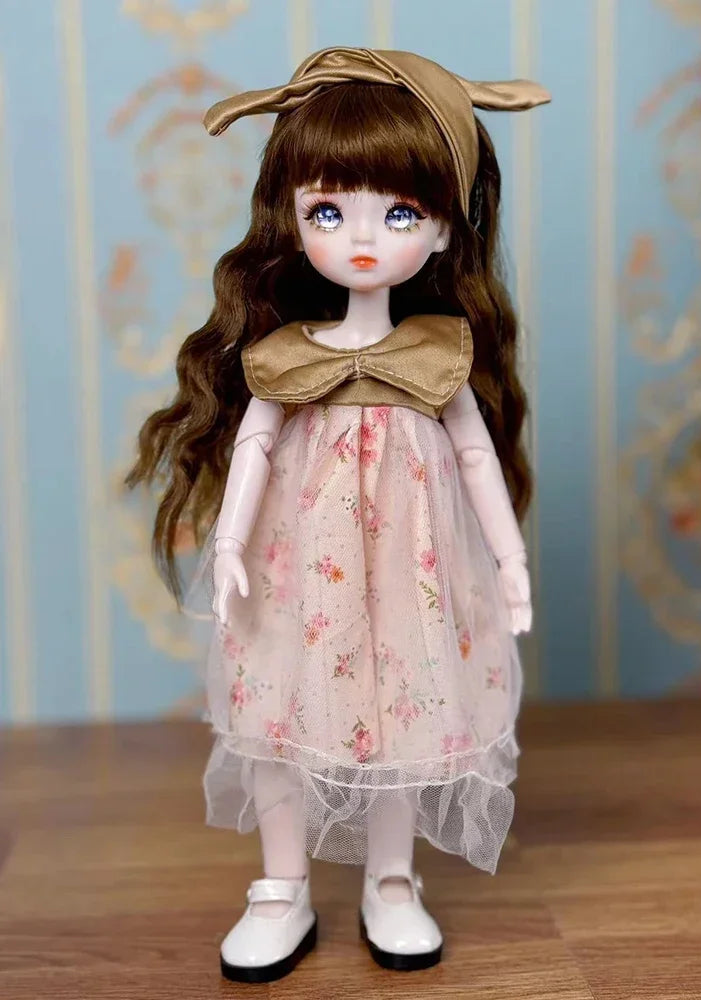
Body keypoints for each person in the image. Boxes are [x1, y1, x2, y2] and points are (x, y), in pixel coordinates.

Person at [127, 46, 549, 983]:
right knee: (274, 703)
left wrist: (509, 560)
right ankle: (281, 886)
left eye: (399, 213)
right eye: (329, 211)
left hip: (409, 569)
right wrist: (230, 546)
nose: (362, 239)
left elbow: (475, 455)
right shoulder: (288, 354)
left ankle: (390, 880)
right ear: (292, 217)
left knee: (403, 709)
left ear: (442, 232)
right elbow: (253, 447)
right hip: (298, 571)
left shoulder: (436, 356)